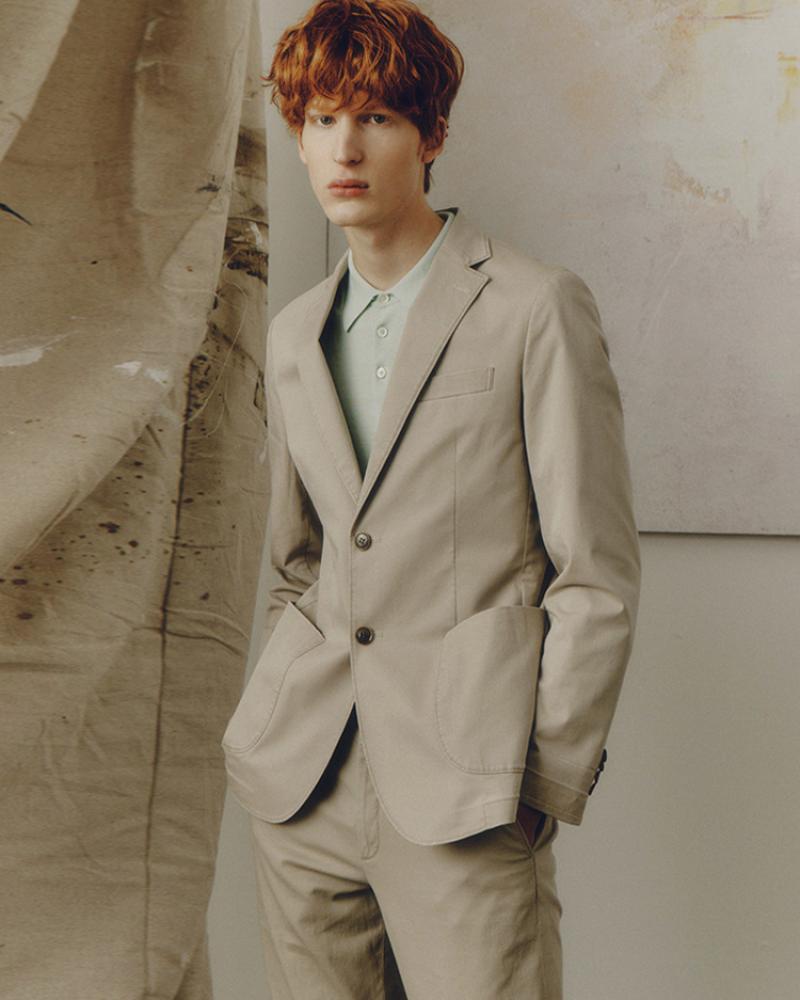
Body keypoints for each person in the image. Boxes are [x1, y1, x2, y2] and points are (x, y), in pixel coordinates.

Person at [221, 1, 641, 997]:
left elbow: (594, 569)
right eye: (320, 119)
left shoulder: (534, 306)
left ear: (432, 133)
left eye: (374, 117)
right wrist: (274, 716)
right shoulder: (294, 333)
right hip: (304, 782)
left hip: (466, 787)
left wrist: (538, 780)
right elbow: (297, 559)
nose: (344, 148)